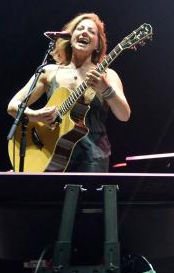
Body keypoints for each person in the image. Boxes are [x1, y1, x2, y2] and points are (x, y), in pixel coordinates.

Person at [7, 12, 130, 172]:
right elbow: (13, 106)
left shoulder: (107, 75)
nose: (85, 32)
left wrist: (105, 88)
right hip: (49, 156)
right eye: (80, 28)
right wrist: (36, 116)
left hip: (92, 158)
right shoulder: (49, 72)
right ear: (70, 38)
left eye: (91, 32)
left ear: (98, 45)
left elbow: (124, 115)